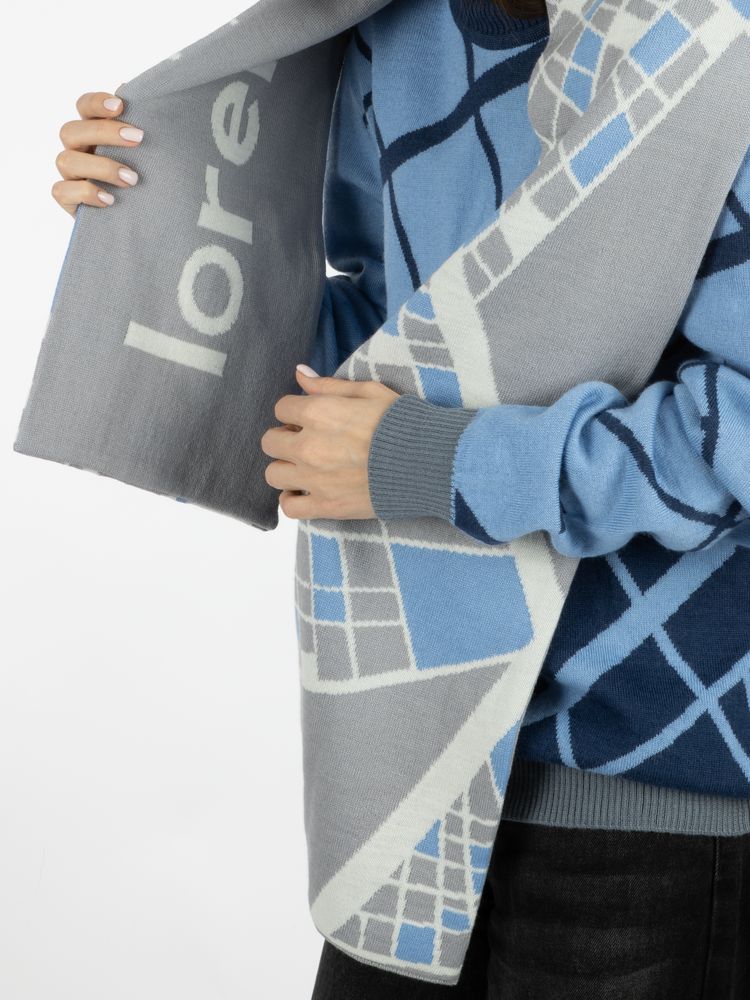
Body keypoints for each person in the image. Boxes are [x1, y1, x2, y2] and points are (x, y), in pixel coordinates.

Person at [51, 0, 750, 996]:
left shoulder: (718, 34)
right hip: (409, 773)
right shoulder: (398, 25)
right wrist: (154, 226)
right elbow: (383, 337)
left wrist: (435, 462)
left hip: (646, 789)